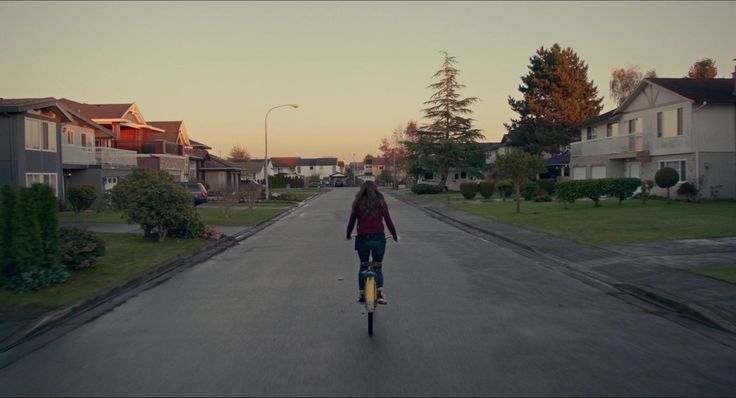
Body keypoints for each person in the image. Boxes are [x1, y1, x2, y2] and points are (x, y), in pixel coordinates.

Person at [346, 181, 398, 305]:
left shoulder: (357, 204)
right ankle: (380, 294)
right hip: (379, 238)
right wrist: (395, 236)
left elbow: (351, 222)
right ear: (376, 190)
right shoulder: (381, 203)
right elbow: (389, 222)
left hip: (363, 239)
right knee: (377, 266)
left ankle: (362, 295)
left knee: (363, 265)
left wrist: (348, 235)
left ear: (362, 190)